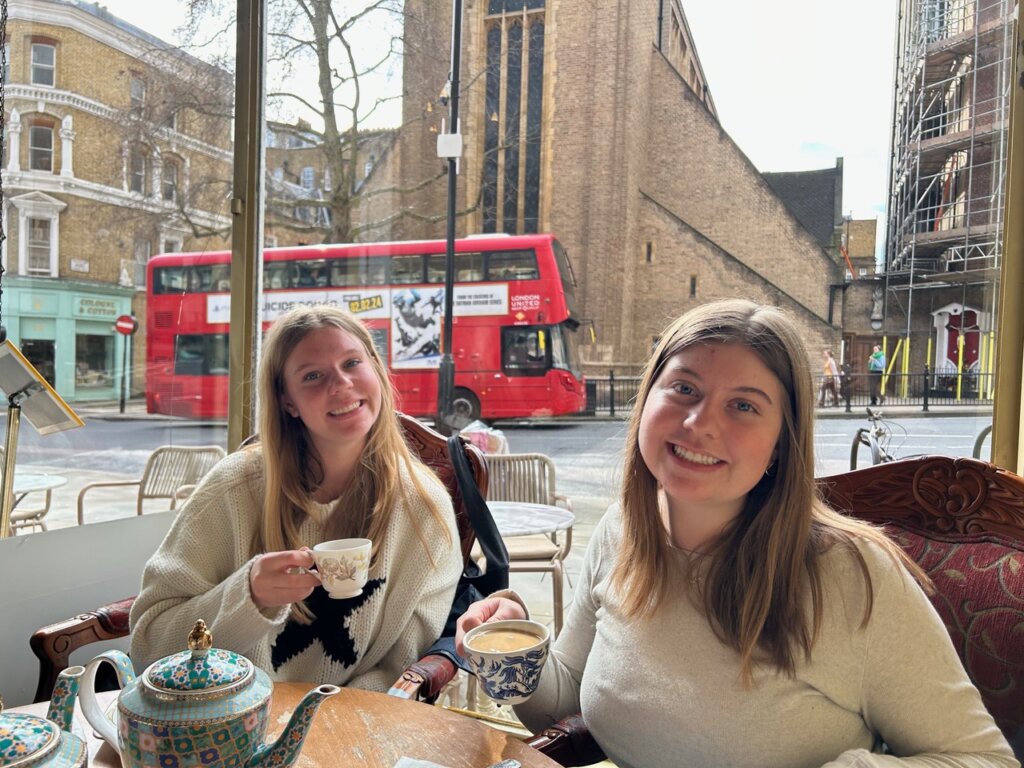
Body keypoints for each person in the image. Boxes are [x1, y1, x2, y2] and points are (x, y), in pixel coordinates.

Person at [456, 299, 1016, 768]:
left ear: (781, 444)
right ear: (647, 399)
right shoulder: (623, 530)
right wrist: (508, 653)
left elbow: (983, 760)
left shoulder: (854, 574)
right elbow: (568, 696)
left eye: (744, 405)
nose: (700, 423)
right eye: (683, 389)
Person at [131, 305, 463, 690]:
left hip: (350, 732)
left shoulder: (423, 506)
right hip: (224, 726)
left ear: (376, 369)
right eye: (313, 376)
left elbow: (400, 667)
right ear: (287, 402)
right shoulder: (234, 489)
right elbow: (147, 646)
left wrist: (318, 726)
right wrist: (247, 597)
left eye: (352, 362)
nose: (340, 384)